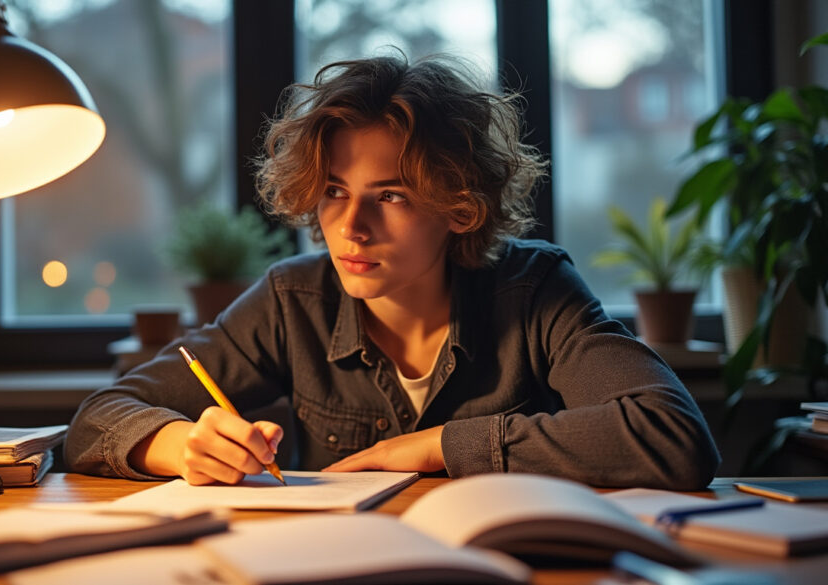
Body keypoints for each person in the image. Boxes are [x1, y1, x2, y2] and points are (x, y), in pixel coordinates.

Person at [65, 53, 720, 490]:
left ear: (460, 205)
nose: (351, 227)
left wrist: (440, 445)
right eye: (333, 191)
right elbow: (96, 419)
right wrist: (180, 444)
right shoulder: (294, 299)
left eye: (392, 196)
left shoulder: (535, 288)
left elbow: (676, 436)